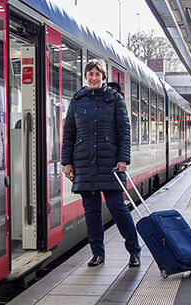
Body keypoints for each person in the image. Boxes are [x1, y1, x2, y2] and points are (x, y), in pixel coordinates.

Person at [61, 59, 141, 267]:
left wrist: (123, 159)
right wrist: (67, 162)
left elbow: (124, 132)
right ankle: (97, 253)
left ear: (104, 77)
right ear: (86, 77)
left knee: (118, 208)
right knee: (91, 212)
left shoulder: (115, 99)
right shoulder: (77, 101)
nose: (94, 77)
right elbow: (68, 133)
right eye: (90, 74)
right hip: (85, 165)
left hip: (110, 165)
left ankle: (134, 250)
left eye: (98, 74)